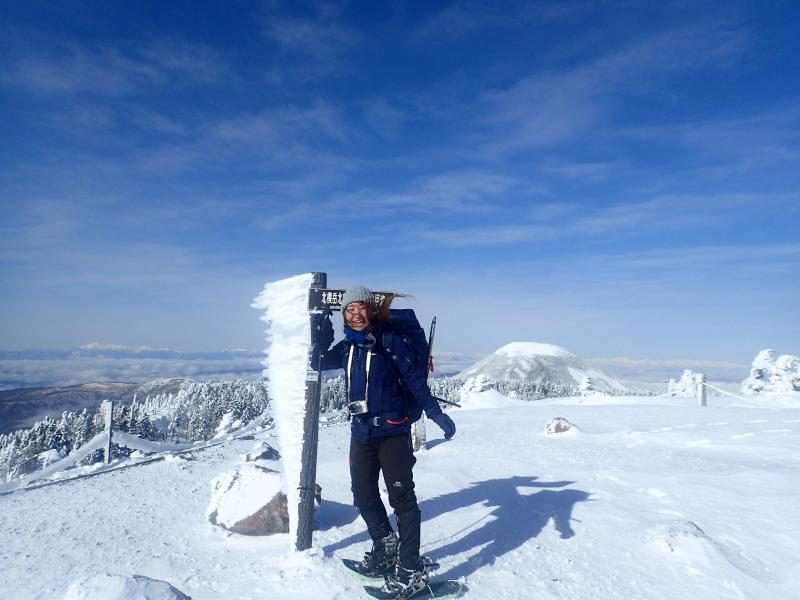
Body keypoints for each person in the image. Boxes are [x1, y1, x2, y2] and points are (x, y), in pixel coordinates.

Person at [320, 284, 456, 599]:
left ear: (372, 310)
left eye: (361, 308)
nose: (355, 314)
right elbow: (318, 362)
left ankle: (410, 570)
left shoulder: (390, 341)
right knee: (363, 494)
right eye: (349, 309)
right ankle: (386, 547)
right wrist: (321, 331)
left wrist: (436, 414)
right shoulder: (347, 347)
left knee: (402, 501)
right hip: (361, 434)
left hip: (393, 434)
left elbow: (415, 382)